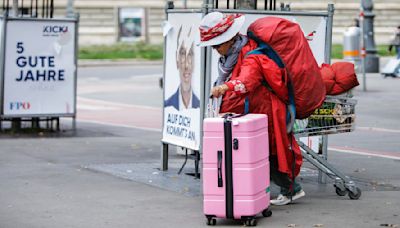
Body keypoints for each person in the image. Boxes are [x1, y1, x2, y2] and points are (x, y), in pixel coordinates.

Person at [198, 12, 304, 206]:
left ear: (229, 40)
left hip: (267, 110)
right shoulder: (235, 54)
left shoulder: (250, 55)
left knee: (269, 151)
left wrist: (225, 87)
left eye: (216, 44)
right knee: (263, 150)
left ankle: (291, 190)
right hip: (258, 109)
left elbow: (247, 81)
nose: (215, 49)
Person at [164, 26, 200, 110]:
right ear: (177, 60)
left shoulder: (201, 107)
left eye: (190, 54)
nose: (186, 66)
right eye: (183, 53)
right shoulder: (167, 106)